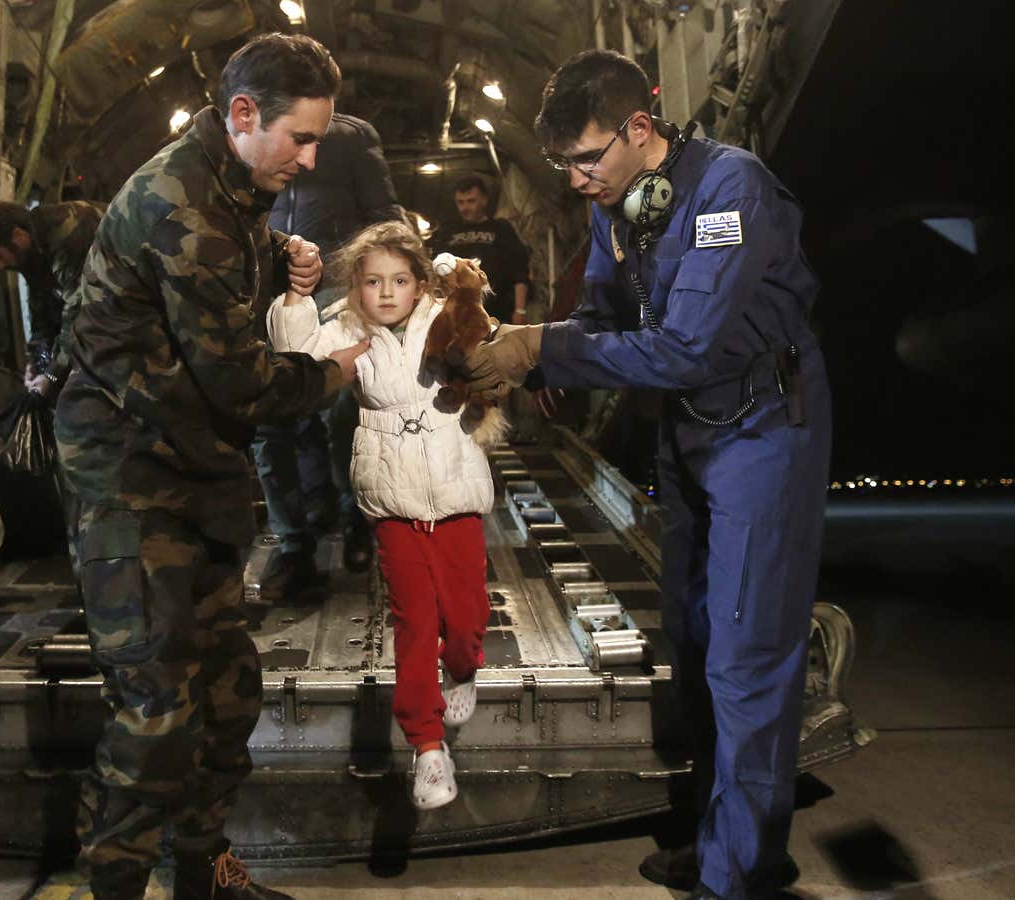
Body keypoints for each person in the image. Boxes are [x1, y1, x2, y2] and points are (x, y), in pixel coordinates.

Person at [457, 49, 830, 899]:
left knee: (746, 652)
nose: (580, 178)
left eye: (590, 158)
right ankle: (716, 838)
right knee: (696, 641)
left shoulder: (732, 192)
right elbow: (603, 312)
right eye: (564, 165)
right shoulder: (620, 202)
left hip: (762, 429)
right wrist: (553, 363)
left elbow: (687, 346)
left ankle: (743, 873)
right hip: (691, 432)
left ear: (639, 126)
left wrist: (540, 348)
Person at [53, 33, 368, 900]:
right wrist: (335, 370)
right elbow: (240, 380)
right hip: (131, 480)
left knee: (228, 697)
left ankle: (205, 872)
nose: (307, 160)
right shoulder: (181, 206)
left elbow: (214, 293)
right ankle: (111, 886)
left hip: (195, 473)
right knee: (155, 712)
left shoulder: (230, 190)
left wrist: (279, 259)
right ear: (241, 115)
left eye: (318, 141)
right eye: (300, 139)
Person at [268, 221, 499, 811]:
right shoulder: (347, 326)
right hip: (392, 498)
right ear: (356, 287)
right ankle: (426, 745)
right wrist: (297, 297)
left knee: (468, 615)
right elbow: (296, 356)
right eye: (373, 281)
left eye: (400, 280)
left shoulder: (436, 318)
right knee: (415, 622)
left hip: (455, 489)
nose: (387, 293)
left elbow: (483, 338)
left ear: (420, 284)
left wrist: (461, 284)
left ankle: (465, 668)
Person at [257, 111, 408, 589]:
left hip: (335, 289)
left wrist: (391, 284)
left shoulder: (351, 136)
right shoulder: (256, 132)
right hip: (266, 290)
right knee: (270, 416)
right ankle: (293, 543)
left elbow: (385, 217)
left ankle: (354, 519)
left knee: (341, 410)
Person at [0, 198, 104, 396]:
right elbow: (42, 312)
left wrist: (52, 377)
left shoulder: (68, 233)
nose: (0, 266)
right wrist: (35, 362)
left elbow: (79, 316)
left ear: (18, 236)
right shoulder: (29, 251)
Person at [433, 174, 532, 324]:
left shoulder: (501, 229)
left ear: (484, 200)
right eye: (460, 202)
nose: (465, 207)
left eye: (471, 201)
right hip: (458, 314)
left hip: (498, 311)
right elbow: (436, 274)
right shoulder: (447, 232)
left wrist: (520, 310)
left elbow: (519, 271)